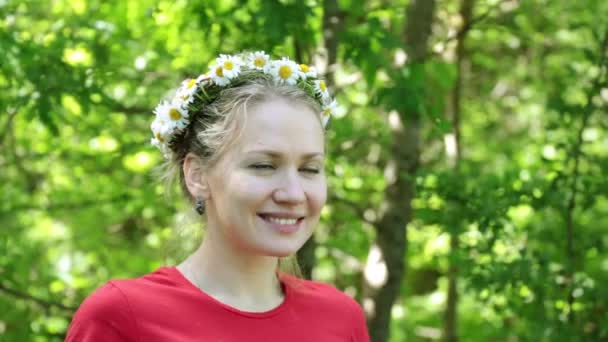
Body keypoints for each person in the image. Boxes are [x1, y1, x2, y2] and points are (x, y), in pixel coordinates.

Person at [66, 51, 370, 341]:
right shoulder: (122, 316)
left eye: (310, 169)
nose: (293, 193)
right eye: (264, 165)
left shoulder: (341, 318)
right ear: (197, 175)